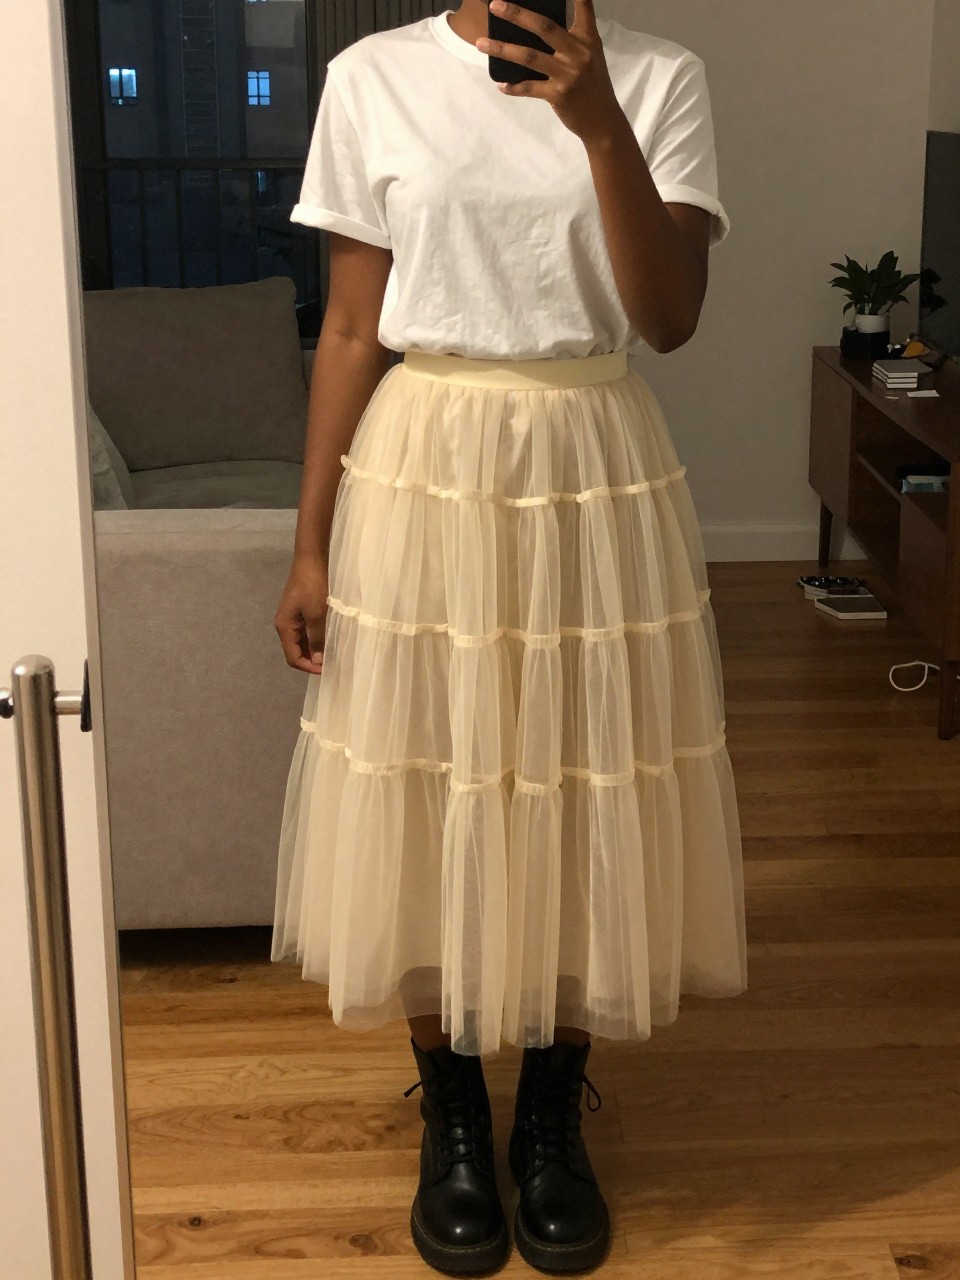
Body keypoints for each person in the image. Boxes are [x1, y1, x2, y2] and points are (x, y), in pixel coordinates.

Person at [271, 1, 748, 1273]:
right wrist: (311, 542)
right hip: (423, 464)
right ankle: (451, 1112)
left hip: (592, 460)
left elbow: (669, 316)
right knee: (424, 772)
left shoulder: (661, 80)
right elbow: (351, 329)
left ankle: (548, 1109)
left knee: (584, 771)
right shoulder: (371, 77)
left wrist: (599, 127)